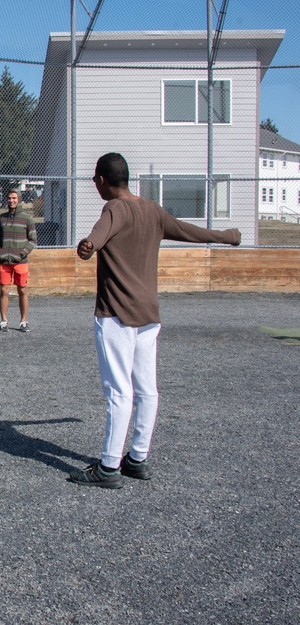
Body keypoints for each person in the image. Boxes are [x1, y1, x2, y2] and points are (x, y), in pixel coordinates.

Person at [68, 152, 241, 488]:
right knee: (147, 390)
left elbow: (96, 238)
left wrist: (87, 247)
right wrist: (226, 236)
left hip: (117, 315)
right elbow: (190, 232)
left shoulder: (113, 209)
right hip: (149, 315)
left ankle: (107, 469)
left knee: (119, 393)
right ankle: (137, 458)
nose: (94, 184)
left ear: (103, 180)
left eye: (95, 179)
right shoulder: (154, 211)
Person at [0, 189, 37, 333]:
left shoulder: (27, 218)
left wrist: (22, 253)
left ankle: (23, 321)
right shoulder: (2, 218)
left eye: (14, 198)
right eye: (9, 198)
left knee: (22, 290)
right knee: (3, 290)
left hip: (21, 262)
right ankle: (3, 321)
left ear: (19, 199)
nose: (11, 200)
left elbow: (33, 240)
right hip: (4, 262)